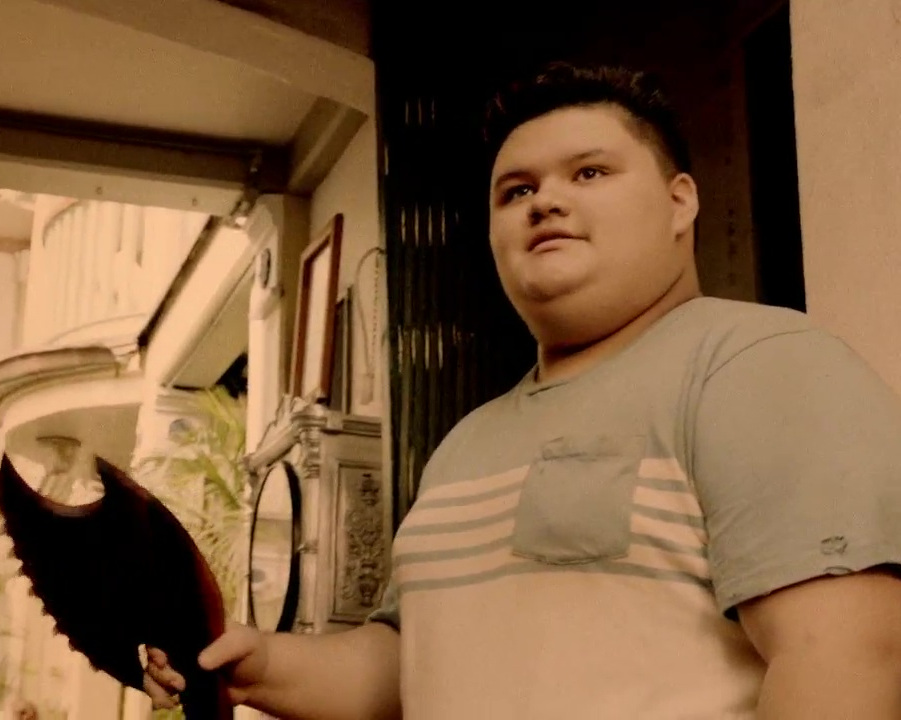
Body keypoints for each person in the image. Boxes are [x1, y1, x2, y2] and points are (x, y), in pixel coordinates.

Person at [145, 61, 901, 718]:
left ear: (680, 202)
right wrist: (260, 667)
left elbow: (843, 659)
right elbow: (406, 669)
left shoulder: (755, 364)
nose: (544, 201)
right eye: (515, 191)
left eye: (589, 173)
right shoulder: (464, 443)